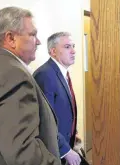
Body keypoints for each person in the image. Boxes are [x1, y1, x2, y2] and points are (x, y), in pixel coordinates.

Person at [0, 6, 61, 165]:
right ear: (11, 38)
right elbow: (23, 152)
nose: (39, 41)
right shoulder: (12, 75)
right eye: (33, 34)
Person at [34, 32, 82, 165]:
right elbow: (45, 120)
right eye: (67, 47)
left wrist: (72, 133)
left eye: (73, 46)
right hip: (54, 150)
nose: (73, 51)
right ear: (53, 51)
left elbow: (62, 109)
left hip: (65, 142)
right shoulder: (45, 75)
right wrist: (65, 150)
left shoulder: (62, 72)